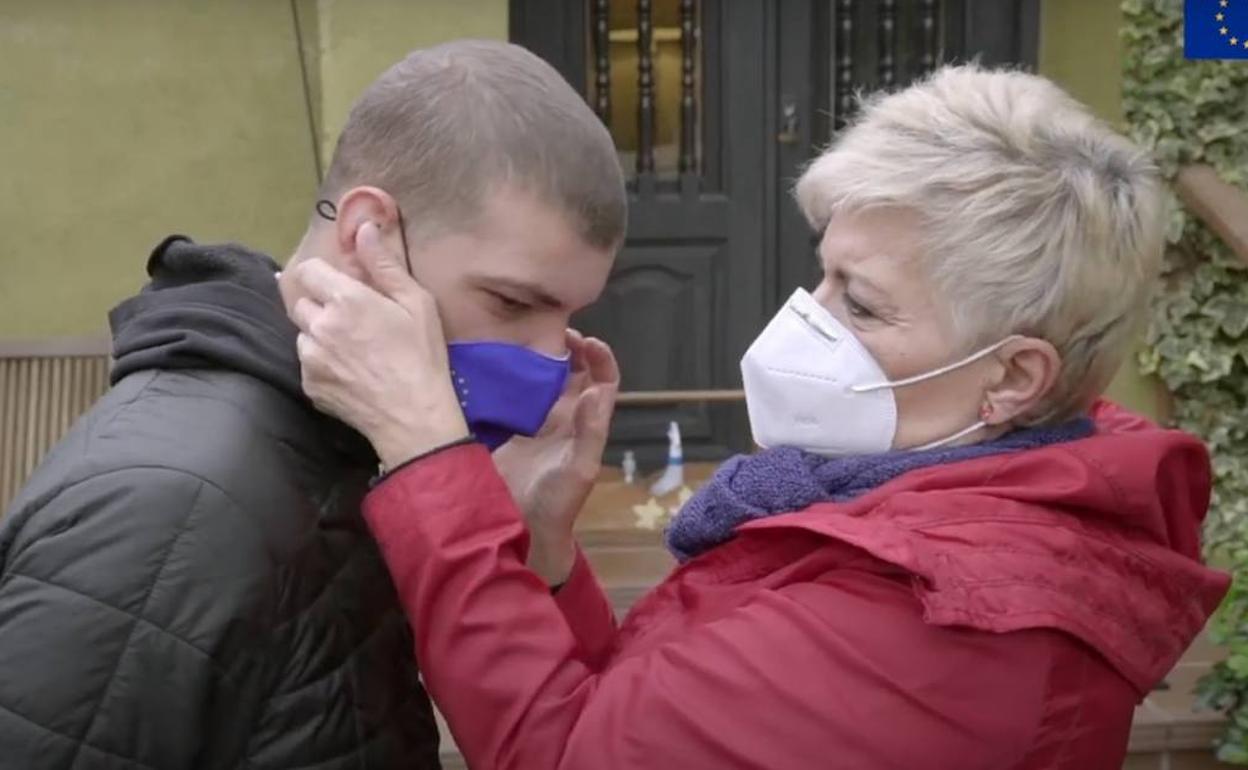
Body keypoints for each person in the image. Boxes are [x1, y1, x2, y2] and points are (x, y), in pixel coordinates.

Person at [288, 64, 1231, 769]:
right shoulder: (912, 517)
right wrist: (547, 556)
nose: (807, 320)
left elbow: (569, 753)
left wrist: (426, 452)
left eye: (862, 304)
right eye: (824, 274)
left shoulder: (960, 613)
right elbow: (650, 722)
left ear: (1014, 379)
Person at [0, 40, 625, 768]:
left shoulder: (356, 446)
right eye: (513, 302)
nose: (551, 358)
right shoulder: (173, 508)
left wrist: (530, 547)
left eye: (569, 316)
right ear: (366, 234)